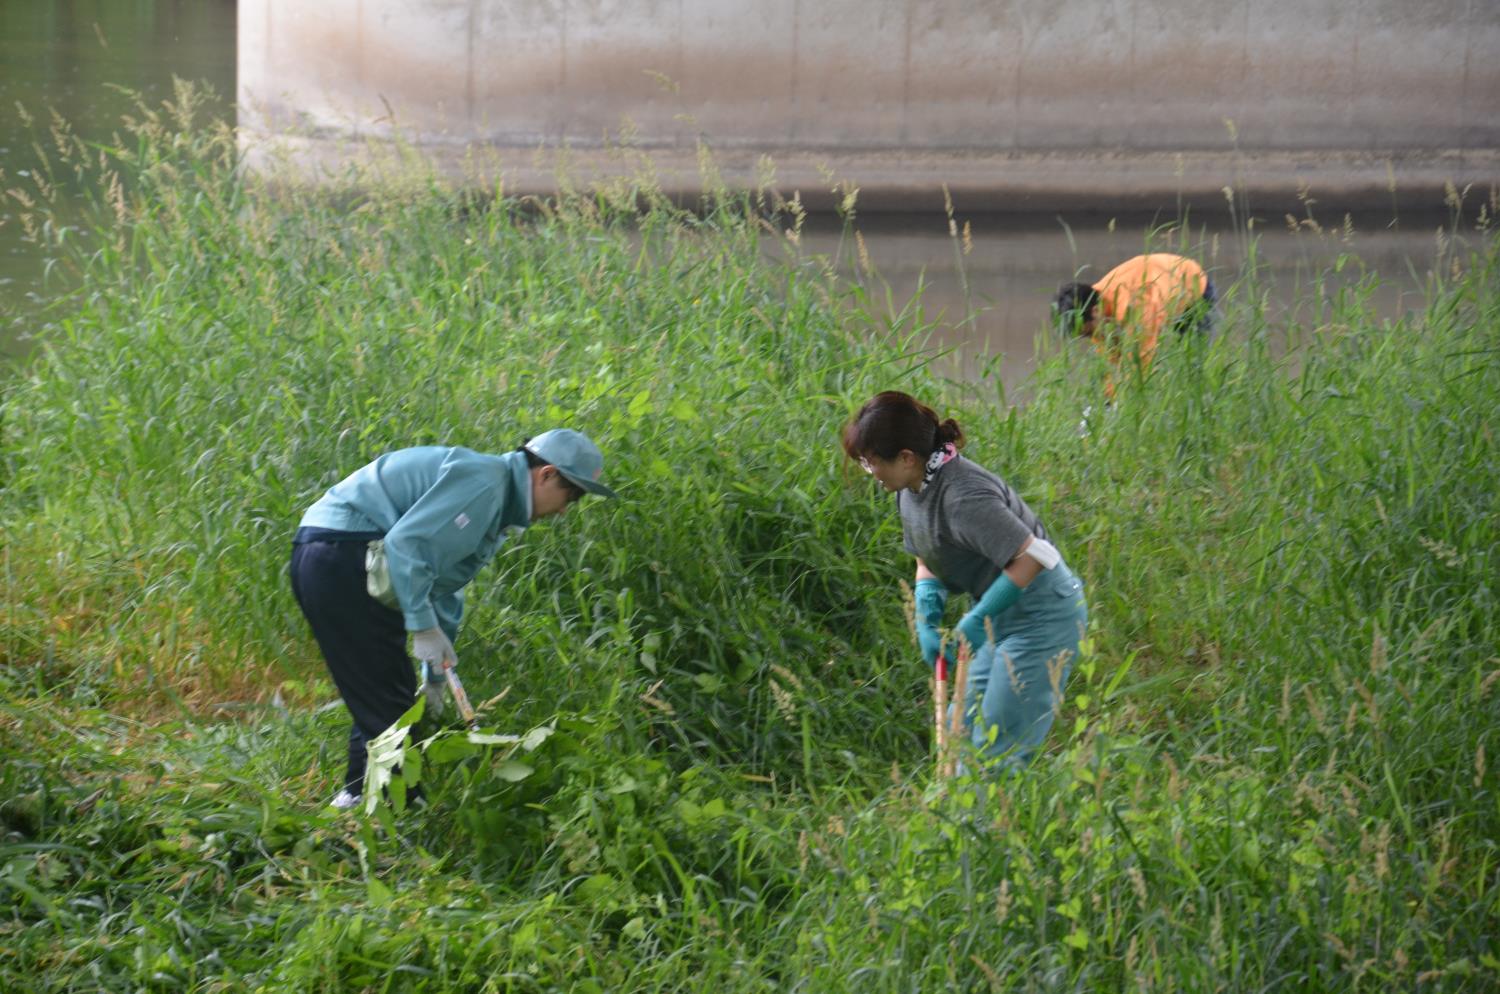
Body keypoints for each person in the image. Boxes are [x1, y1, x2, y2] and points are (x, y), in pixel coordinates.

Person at [289, 429, 618, 809]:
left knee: (384, 686)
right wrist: (422, 626)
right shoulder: (484, 484)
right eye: (570, 496)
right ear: (546, 474)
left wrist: (435, 674)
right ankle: (399, 808)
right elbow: (406, 544)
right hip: (341, 552)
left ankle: (359, 796)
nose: (564, 511)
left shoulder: (497, 499)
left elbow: (441, 582)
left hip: (346, 557)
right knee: (387, 699)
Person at [841, 392, 1088, 772]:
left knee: (996, 751)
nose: (869, 472)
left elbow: (1036, 556)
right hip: (997, 618)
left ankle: (998, 809)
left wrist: (977, 618)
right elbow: (926, 556)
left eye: (872, 461)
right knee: (960, 731)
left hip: (1042, 616)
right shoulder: (910, 489)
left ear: (906, 457)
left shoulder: (963, 497)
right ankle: (954, 810)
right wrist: (926, 614)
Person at [1054, 253, 1215, 392]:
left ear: (1096, 311)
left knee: (1193, 370)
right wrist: (1108, 401)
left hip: (1191, 284)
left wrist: (1123, 401)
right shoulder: (1090, 305)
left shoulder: (1134, 307)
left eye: (1088, 333)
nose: (1092, 338)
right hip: (1157, 284)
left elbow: (1142, 365)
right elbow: (1112, 361)